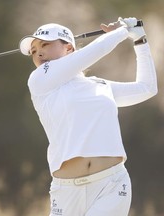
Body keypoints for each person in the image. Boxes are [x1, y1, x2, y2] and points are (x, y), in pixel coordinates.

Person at [19, 17, 157, 216]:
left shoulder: (99, 86)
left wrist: (140, 40)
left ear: (69, 48)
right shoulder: (39, 82)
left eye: (45, 44)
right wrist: (123, 30)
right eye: (33, 51)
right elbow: (93, 52)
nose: (38, 52)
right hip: (66, 191)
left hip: (111, 185)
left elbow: (147, 88)